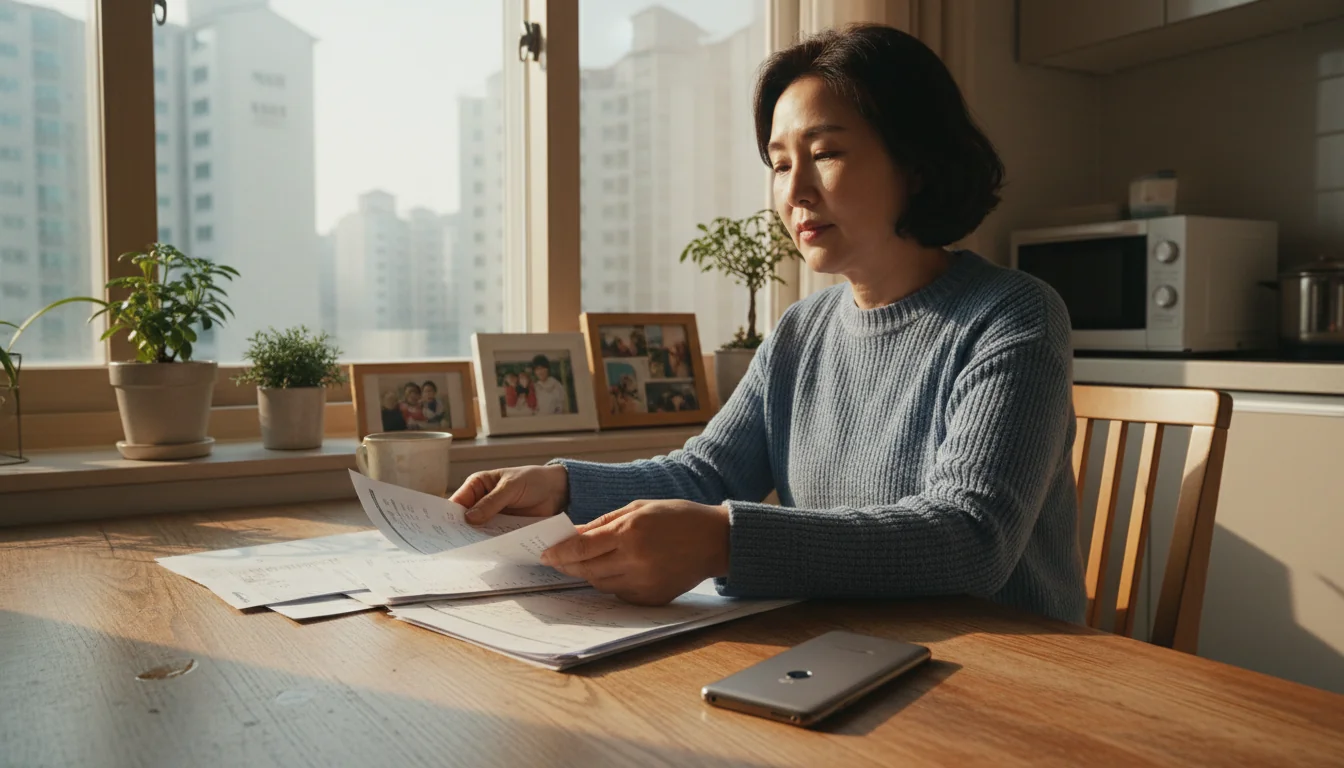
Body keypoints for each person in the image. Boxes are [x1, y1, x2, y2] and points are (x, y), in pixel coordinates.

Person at [449, 25, 1083, 623]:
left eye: (825, 153)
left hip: (1005, 665)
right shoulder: (801, 330)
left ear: (916, 164)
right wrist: (563, 488)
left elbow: (972, 537)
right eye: (780, 164)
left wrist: (724, 540)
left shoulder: (1011, 315)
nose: (796, 190)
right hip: (841, 646)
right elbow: (708, 474)